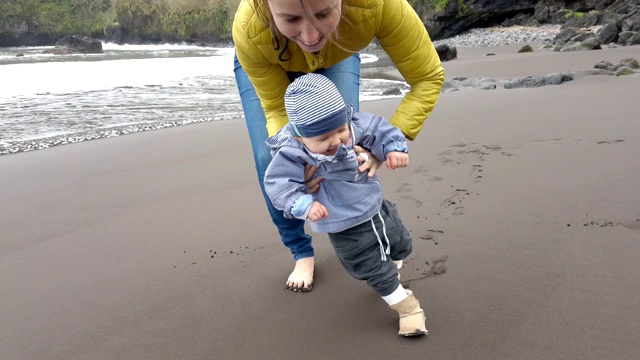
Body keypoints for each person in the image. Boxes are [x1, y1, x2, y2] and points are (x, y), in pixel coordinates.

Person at [233, 0, 445, 292]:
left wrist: (384, 146)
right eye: (291, 18)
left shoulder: (378, 6)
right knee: (270, 161)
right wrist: (298, 162)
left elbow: (427, 76)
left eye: (322, 14)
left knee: (344, 146)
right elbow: (276, 110)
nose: (309, 37)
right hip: (269, 57)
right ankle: (301, 252)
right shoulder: (249, 27)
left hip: (337, 52)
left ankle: (375, 229)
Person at [264, 73, 427, 337]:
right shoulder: (292, 152)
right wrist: (304, 204)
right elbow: (278, 184)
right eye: (324, 137)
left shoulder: (351, 126)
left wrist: (394, 149)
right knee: (372, 268)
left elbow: (379, 129)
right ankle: (409, 310)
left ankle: (393, 267)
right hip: (344, 225)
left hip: (376, 205)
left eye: (340, 130)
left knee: (401, 243)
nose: (336, 141)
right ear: (300, 136)